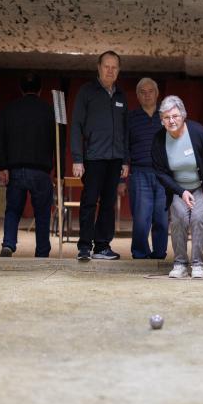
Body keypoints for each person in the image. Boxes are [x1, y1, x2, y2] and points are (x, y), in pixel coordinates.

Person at [152, 95, 203, 279]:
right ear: (162, 121)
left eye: (175, 116)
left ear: (183, 115)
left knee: (199, 218)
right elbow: (160, 172)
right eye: (166, 118)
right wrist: (181, 192)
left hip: (200, 187)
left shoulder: (198, 132)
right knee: (180, 218)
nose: (171, 121)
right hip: (178, 189)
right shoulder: (159, 140)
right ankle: (180, 264)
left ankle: (198, 264)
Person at [70, 51, 128, 261]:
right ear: (98, 67)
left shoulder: (121, 96)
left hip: (115, 159)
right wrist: (77, 158)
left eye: (114, 67)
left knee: (108, 203)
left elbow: (125, 131)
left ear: (118, 70)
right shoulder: (87, 92)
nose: (110, 71)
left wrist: (125, 160)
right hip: (93, 158)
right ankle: (84, 247)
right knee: (89, 202)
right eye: (107, 66)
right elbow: (76, 125)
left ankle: (102, 246)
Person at [0, 73, 57, 258]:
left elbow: (0, 139)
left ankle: (8, 244)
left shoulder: (9, 109)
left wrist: (3, 166)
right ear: (40, 89)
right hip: (40, 170)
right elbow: (58, 142)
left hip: (15, 169)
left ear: (21, 89)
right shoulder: (48, 110)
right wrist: (57, 171)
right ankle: (42, 251)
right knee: (43, 213)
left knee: (13, 210)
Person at [125, 78, 169, 259]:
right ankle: (140, 254)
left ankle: (159, 254)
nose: (147, 95)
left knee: (161, 219)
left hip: (163, 174)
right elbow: (124, 146)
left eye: (150, 91)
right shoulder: (131, 118)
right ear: (137, 95)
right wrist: (122, 178)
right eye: (142, 92)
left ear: (157, 94)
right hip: (139, 173)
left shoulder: (167, 116)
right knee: (141, 220)